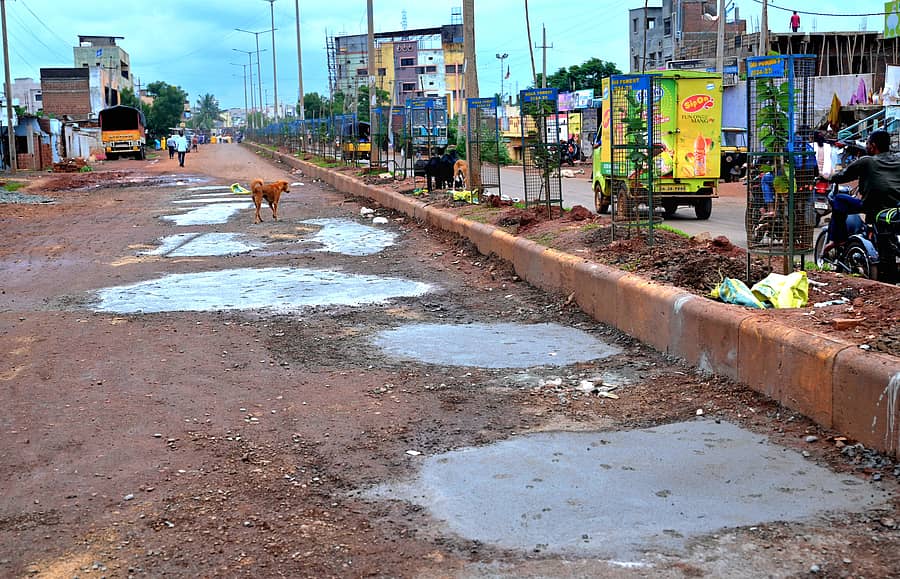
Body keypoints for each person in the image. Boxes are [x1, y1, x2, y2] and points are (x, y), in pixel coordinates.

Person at [826, 130, 900, 280]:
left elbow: (843, 176)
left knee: (839, 199)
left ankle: (837, 239)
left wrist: (828, 178)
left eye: (867, 143)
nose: (866, 146)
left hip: (873, 206)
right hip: (895, 209)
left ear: (872, 146)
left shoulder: (867, 161)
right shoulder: (898, 159)